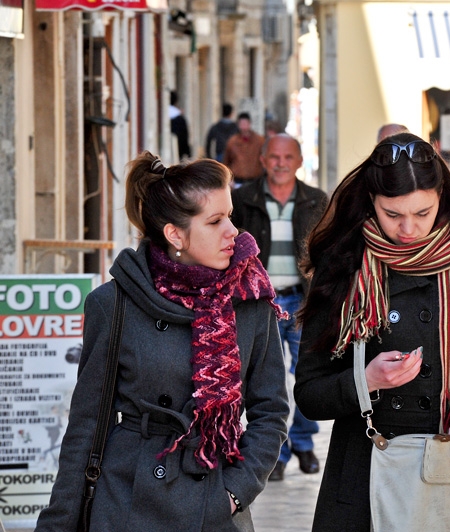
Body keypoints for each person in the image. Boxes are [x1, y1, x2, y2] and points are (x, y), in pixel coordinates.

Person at [35, 152, 289, 531]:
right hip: (126, 499)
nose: (233, 231)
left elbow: (271, 411)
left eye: (230, 216)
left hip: (214, 502)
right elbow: (86, 423)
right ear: (175, 234)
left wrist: (234, 493)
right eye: (215, 221)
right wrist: (57, 523)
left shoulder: (249, 299)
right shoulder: (114, 303)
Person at [293, 132, 450, 530]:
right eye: (392, 214)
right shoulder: (342, 267)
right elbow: (309, 393)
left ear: (441, 198)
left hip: (446, 469)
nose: (408, 228)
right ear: (372, 201)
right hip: (362, 473)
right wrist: (366, 380)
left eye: (422, 212)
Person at [231, 134, 328, 481]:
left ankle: (302, 441)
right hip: (260, 302)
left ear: (300, 161)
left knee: (308, 374)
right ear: (263, 160)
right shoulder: (243, 199)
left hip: (303, 301)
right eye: (274, 156)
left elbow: (328, 251)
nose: (281, 163)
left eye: (288, 157)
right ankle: (278, 452)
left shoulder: (317, 200)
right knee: (267, 382)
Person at [223, 112, 266, 187]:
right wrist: (229, 179)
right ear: (238, 125)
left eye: (245, 123)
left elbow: (265, 160)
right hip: (237, 181)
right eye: (241, 124)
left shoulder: (259, 141)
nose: (243, 126)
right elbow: (226, 161)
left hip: (255, 181)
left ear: (249, 123)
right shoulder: (232, 142)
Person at [169, 90, 192, 161]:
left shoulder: (162, 115)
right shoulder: (180, 118)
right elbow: (185, 135)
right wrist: (187, 151)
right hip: (179, 150)